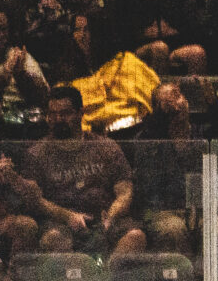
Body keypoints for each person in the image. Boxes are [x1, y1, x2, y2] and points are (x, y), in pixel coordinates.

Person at [19, 86, 133, 253]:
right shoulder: (36, 154)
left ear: (81, 113)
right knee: (54, 240)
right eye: (52, 114)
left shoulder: (106, 147)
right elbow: (34, 200)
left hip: (105, 217)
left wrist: (111, 216)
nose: (58, 119)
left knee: (135, 236)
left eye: (65, 113)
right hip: (59, 222)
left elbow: (125, 191)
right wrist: (67, 216)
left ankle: (109, 277)